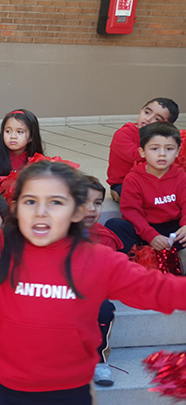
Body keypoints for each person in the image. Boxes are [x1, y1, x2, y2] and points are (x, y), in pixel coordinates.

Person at [0, 160, 186, 405]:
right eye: (31, 201)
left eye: (56, 202)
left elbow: (159, 290)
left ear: (76, 211)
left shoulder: (96, 260)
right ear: (16, 209)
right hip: (4, 390)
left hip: (68, 393)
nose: (41, 211)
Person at [105, 122, 186, 253]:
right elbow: (132, 212)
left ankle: (166, 253)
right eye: (154, 149)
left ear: (177, 151)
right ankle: (136, 258)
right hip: (142, 231)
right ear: (142, 152)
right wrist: (151, 236)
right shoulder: (133, 178)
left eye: (169, 149)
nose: (162, 154)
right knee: (115, 225)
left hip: (171, 232)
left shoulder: (181, 176)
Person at [82, 175, 121, 387]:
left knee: (104, 309)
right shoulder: (53, 234)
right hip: (56, 293)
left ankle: (99, 361)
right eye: (83, 202)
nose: (91, 209)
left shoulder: (105, 238)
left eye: (97, 203)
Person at [106, 97, 179, 200]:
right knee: (142, 197)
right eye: (147, 112)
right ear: (141, 110)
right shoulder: (123, 134)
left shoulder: (164, 138)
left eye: (157, 119)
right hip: (123, 182)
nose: (148, 119)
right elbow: (135, 156)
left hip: (153, 180)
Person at [0, 109, 44, 189]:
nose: (13, 136)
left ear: (31, 137)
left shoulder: (36, 157)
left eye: (20, 132)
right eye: (8, 131)